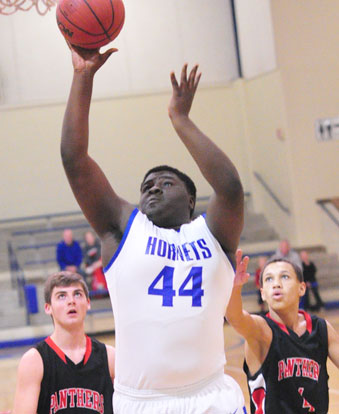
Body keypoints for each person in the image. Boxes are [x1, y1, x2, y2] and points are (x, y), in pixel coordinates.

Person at [60, 43, 246, 414]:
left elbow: (229, 187)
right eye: (147, 184)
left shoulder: (212, 236)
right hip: (143, 403)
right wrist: (83, 77)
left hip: (212, 398)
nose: (153, 186)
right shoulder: (123, 229)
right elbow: (74, 160)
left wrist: (181, 119)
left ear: (191, 201)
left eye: (166, 182)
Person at [226, 250, 339, 414]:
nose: (276, 284)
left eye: (284, 277)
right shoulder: (261, 330)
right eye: (269, 279)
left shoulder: (321, 329)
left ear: (302, 288)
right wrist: (235, 287)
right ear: (263, 293)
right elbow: (235, 318)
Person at [12, 271, 115, 414]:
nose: (71, 301)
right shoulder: (34, 361)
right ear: (48, 308)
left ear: (88, 303)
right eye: (61, 296)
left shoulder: (110, 358)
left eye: (77, 294)